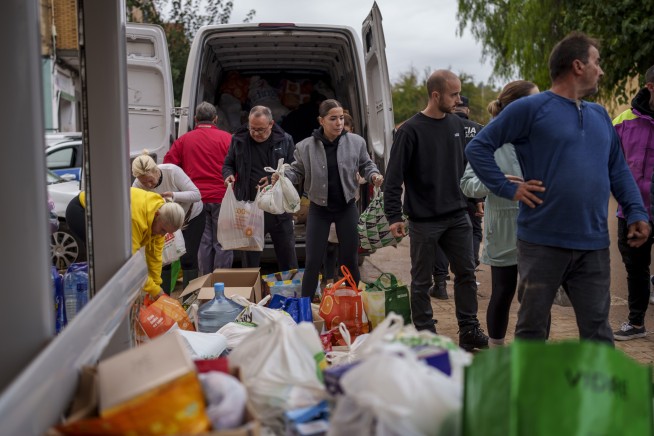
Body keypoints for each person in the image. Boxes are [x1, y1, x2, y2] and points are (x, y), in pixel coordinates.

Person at [466, 32, 650, 344]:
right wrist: (505, 187)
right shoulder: (530, 109)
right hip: (541, 243)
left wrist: (635, 210)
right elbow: (479, 148)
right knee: (533, 329)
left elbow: (617, 168)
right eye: (597, 62)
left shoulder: (599, 115)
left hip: (592, 244)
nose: (601, 70)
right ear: (578, 66)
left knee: (598, 331)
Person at [384, 69, 489, 351]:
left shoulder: (455, 124)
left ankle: (469, 329)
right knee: (421, 281)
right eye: (453, 94)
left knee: (467, 273)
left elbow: (462, 170)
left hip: (457, 215)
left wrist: (473, 199)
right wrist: (394, 216)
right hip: (424, 220)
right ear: (435, 95)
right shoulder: (409, 131)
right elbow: (393, 179)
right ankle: (426, 333)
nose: (457, 99)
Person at [273, 99, 383, 298]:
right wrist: (281, 176)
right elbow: (296, 171)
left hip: (347, 208)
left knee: (349, 259)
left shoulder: (356, 142)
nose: (339, 123)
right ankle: (305, 306)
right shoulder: (305, 146)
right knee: (313, 261)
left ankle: (351, 303)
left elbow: (366, 165)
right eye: (333, 119)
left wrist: (374, 175)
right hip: (319, 210)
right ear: (321, 120)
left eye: (341, 118)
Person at [460, 80, 539, 347]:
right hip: (503, 229)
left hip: (538, 226)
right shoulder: (490, 136)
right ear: (517, 105)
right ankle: (496, 352)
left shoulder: (542, 133)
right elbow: (467, 184)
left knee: (536, 297)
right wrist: (498, 181)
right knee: (503, 292)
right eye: (534, 100)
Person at [65, 188, 185, 299]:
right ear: (157, 214)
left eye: (167, 233)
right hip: (82, 211)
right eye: (163, 230)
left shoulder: (161, 216)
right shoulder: (135, 220)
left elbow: (155, 256)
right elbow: (130, 263)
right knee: (105, 258)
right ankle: (96, 300)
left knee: (110, 260)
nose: (162, 235)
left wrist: (157, 287)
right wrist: (153, 290)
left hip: (105, 215)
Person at [223, 105, 298, 271]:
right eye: (253, 128)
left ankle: (291, 293)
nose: (256, 133)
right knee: (250, 260)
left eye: (261, 129)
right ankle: (252, 294)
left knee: (287, 256)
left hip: (279, 209)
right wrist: (228, 175)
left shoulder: (285, 140)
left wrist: (276, 178)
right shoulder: (239, 140)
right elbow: (229, 163)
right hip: (250, 209)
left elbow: (295, 169)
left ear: (271, 124)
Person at [164, 101, 233, 274]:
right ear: (215, 119)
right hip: (222, 197)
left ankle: (205, 283)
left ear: (195, 119)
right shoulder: (227, 138)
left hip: (196, 201)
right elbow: (238, 166)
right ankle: (222, 283)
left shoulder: (183, 140)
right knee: (223, 242)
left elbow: (168, 166)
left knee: (204, 242)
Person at [611, 64, 654, 340]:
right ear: (650, 87)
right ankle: (636, 323)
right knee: (636, 269)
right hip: (633, 211)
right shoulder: (622, 121)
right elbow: (607, 163)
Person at [430, 95, 484, 300]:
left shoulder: (444, 126)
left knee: (442, 235)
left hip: (447, 190)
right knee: (474, 230)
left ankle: (441, 283)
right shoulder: (478, 128)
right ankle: (469, 271)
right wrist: (479, 198)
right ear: (468, 110)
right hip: (472, 189)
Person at [132, 151, 204, 292]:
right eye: (144, 182)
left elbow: (196, 194)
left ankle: (190, 300)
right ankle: (163, 299)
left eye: (150, 180)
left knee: (188, 258)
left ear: (156, 170)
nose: (149, 185)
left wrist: (173, 195)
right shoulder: (137, 184)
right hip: (162, 222)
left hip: (190, 215)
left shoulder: (171, 171)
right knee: (164, 260)